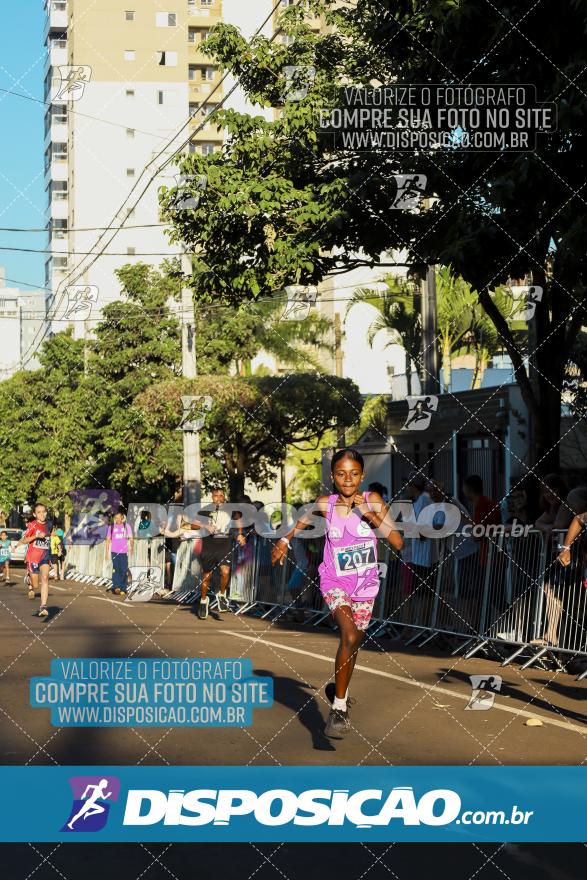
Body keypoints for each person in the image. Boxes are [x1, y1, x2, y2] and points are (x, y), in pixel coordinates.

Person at [272, 447, 403, 739]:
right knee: (349, 634)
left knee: (352, 644)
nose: (348, 479)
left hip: (365, 586)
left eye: (354, 474)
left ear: (362, 475)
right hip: (334, 582)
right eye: (341, 474)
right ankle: (339, 709)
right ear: (332, 476)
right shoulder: (325, 504)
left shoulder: (373, 500)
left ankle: (337, 692)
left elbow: (397, 541)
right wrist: (284, 540)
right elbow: (300, 521)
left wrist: (368, 514)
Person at [187, 488, 246, 620]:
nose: (218, 498)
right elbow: (193, 525)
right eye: (216, 495)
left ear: (224, 496)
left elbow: (238, 520)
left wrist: (240, 534)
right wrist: (205, 526)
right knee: (207, 576)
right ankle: (203, 601)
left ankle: (222, 595)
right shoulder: (205, 510)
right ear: (212, 497)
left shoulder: (231, 509)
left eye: (221, 495)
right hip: (209, 545)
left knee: (225, 572)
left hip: (224, 545)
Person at [18, 503, 52, 617]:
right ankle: (29, 579)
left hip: (45, 556)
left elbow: (49, 538)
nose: (42, 514)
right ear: (34, 514)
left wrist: (57, 545)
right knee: (35, 585)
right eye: (39, 512)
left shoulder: (50, 524)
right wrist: (36, 536)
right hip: (33, 557)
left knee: (45, 578)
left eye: (44, 511)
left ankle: (43, 606)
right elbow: (23, 540)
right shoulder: (32, 525)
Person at [105, 512, 134, 596]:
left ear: (122, 518)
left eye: (119, 518)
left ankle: (123, 588)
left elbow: (131, 538)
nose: (117, 519)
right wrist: (106, 552)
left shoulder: (126, 526)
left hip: (124, 552)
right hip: (114, 551)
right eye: (116, 518)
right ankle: (117, 587)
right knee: (116, 569)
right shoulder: (111, 527)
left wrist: (132, 548)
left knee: (124, 570)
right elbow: (108, 540)